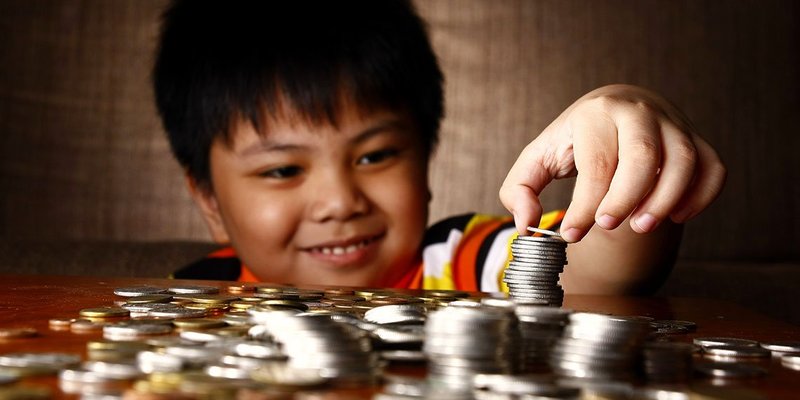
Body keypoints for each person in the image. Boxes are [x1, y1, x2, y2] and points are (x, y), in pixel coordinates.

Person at [153, 0, 725, 295]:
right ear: (207, 199)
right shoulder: (196, 294)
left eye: (374, 156)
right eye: (281, 169)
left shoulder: (462, 258)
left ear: (426, 160)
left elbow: (605, 270)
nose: (340, 200)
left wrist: (625, 134)